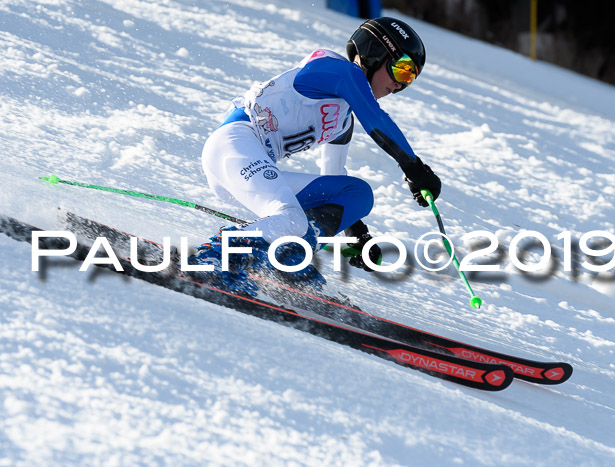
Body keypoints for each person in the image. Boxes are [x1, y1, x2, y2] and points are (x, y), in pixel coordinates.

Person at [189, 17, 442, 295]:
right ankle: (217, 254)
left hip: (254, 171)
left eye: (410, 79)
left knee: (357, 193)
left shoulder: (343, 118)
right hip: (233, 146)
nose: (401, 85)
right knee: (292, 219)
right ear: (375, 53)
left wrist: (354, 232)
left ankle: (289, 257)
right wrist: (413, 167)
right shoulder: (338, 71)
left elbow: (333, 179)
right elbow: (376, 118)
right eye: (402, 70)